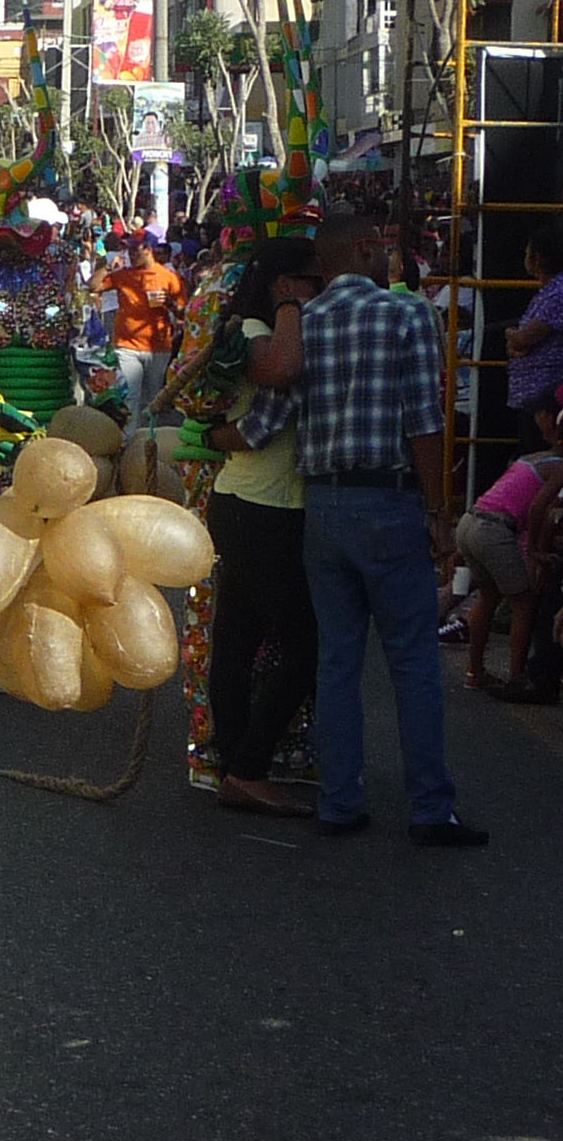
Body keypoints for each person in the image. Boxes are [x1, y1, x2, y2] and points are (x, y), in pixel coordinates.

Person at [235, 214, 486, 846]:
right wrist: (439, 511)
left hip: (323, 508)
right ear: (367, 249)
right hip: (390, 502)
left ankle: (341, 803)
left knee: (337, 661)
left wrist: (198, 432)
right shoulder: (408, 317)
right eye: (387, 246)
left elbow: (264, 422)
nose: (393, 257)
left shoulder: (308, 324)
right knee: (413, 661)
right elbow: (424, 421)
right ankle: (431, 809)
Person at [204, 238, 322, 819]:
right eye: (308, 279)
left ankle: (234, 766)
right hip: (264, 508)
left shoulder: (256, 326)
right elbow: (279, 379)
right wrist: (290, 310)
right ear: (284, 283)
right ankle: (246, 768)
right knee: (304, 646)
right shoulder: (261, 331)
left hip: (244, 503)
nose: (318, 288)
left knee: (238, 639)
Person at [455, 446, 563, 696]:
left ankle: (475, 672)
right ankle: (517, 679)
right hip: (495, 529)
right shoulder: (560, 467)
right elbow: (538, 509)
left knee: (488, 597)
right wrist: (535, 552)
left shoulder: (532, 458)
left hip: (471, 521)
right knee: (523, 602)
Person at [99, 238, 185, 415]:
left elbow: (184, 314)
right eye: (129, 250)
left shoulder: (169, 277)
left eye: (135, 250)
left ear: (148, 250)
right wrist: (107, 267)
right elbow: (93, 286)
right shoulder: (122, 274)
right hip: (126, 344)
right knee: (130, 395)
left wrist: (170, 303)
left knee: (153, 399)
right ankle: (128, 439)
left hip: (158, 347)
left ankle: (148, 438)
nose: (131, 254)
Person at [505, 222, 563, 454]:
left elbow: (526, 337)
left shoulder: (558, 292)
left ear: (537, 257)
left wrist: (513, 336)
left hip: (545, 396)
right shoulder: (547, 292)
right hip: (533, 396)